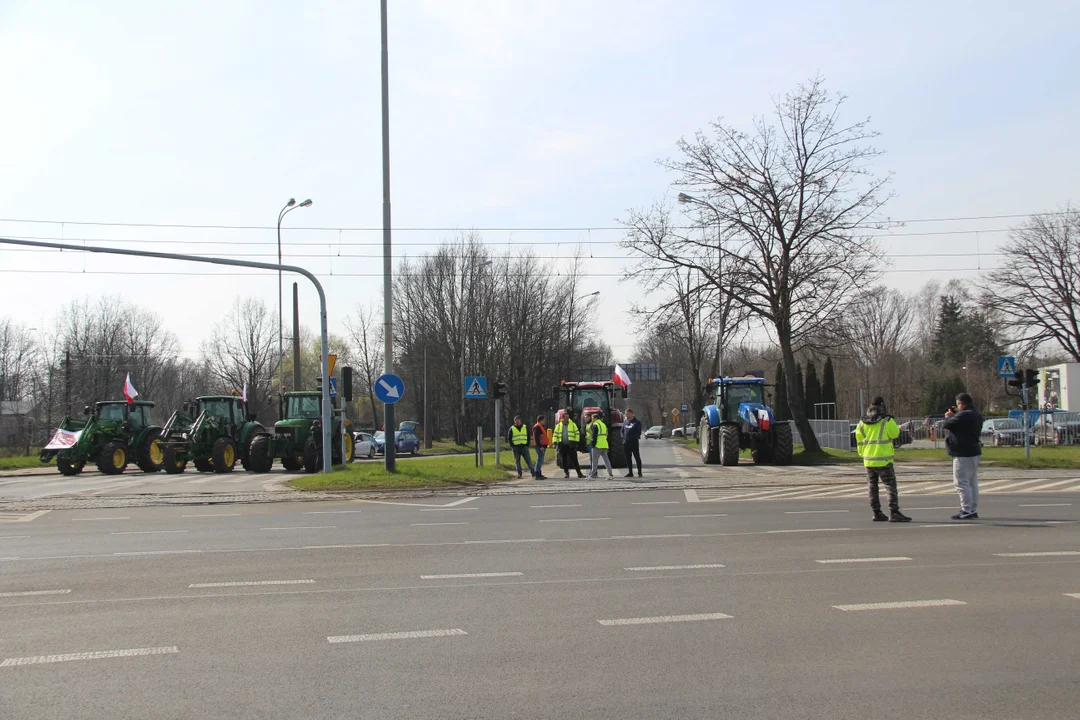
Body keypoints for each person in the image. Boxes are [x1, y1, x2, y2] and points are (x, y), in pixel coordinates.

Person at [854, 396, 911, 523]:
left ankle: (876, 512)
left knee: (872, 488)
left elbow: (859, 440)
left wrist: (863, 454)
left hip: (868, 460)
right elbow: (895, 434)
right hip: (884, 460)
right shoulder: (886, 420)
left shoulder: (862, 422)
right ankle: (894, 512)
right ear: (882, 405)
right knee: (890, 486)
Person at [944, 393, 982, 519]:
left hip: (963, 452)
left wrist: (949, 416)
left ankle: (966, 509)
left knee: (961, 482)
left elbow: (948, 425)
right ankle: (972, 508)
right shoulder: (975, 413)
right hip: (973, 450)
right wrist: (956, 415)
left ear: (960, 403)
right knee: (972, 482)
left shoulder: (964, 414)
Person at [552, 409, 584, 478]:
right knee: (564, 460)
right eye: (565, 417)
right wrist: (555, 442)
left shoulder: (573, 424)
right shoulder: (558, 426)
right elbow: (555, 434)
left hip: (571, 445)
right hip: (562, 445)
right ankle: (566, 473)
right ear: (562, 418)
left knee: (574, 460)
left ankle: (579, 473)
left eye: (567, 417)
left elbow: (577, 433)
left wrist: (576, 442)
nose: (567, 418)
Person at [587, 411, 614, 480]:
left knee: (594, 461)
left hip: (597, 445)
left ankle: (593, 475)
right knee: (606, 460)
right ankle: (610, 474)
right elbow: (606, 434)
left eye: (592, 418)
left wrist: (593, 444)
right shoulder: (603, 424)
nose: (592, 420)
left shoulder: (595, 424)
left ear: (595, 418)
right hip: (604, 444)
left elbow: (594, 435)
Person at [506, 415, 532, 479]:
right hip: (516, 448)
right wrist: (513, 446)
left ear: (520, 420)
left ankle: (533, 473)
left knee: (528, 461)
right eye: (516, 420)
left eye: (518, 420)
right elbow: (509, 438)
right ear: (514, 421)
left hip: (524, 447)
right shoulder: (512, 428)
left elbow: (528, 436)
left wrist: (527, 445)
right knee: (517, 461)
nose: (517, 421)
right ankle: (519, 474)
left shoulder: (524, 427)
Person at [622, 407, 642, 478]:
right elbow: (622, 431)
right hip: (626, 443)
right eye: (625, 414)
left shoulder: (636, 422)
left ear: (631, 413)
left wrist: (633, 438)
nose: (626, 415)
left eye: (627, 413)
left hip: (634, 443)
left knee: (637, 457)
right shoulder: (625, 422)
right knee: (628, 458)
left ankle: (639, 472)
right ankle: (630, 472)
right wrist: (623, 438)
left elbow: (638, 432)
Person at [531, 414, 549, 479]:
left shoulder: (540, 426)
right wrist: (540, 446)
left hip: (542, 446)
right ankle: (537, 474)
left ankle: (539, 473)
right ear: (541, 420)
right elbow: (536, 438)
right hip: (540, 446)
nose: (544, 421)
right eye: (544, 420)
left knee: (541, 460)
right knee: (539, 459)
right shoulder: (537, 427)